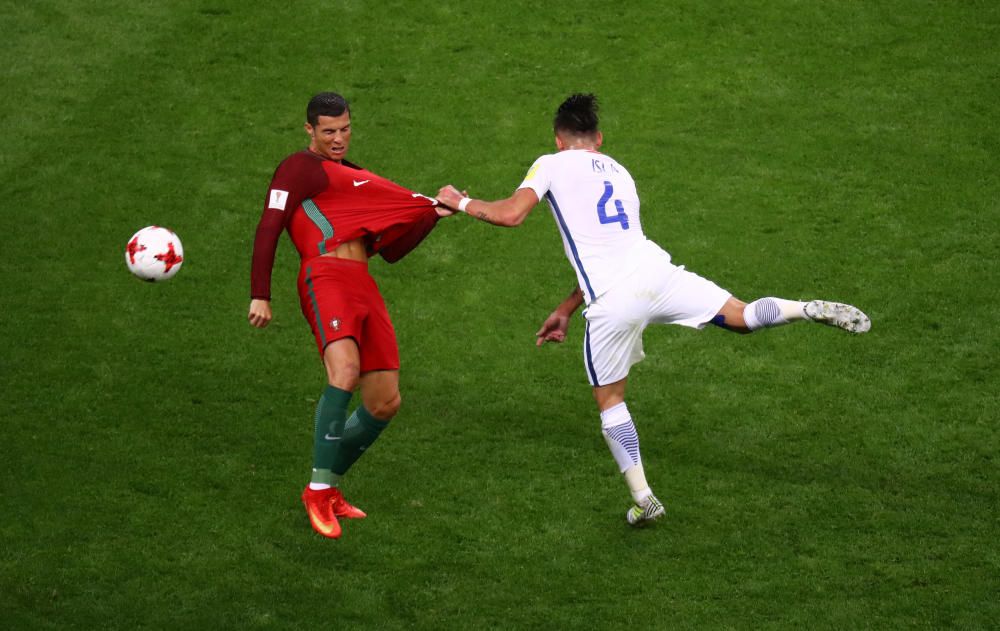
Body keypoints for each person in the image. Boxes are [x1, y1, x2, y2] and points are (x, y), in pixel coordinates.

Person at [436, 93, 870, 526]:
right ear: (599, 139)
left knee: (611, 400)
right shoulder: (621, 173)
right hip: (657, 274)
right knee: (741, 315)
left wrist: (458, 202)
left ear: (558, 139)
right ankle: (804, 308)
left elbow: (511, 215)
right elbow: (615, 248)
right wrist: (567, 306)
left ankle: (644, 499)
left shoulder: (550, 163)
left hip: (613, 301)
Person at [249, 92, 453, 539]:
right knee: (344, 372)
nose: (338, 138)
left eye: (344, 129)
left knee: (385, 402)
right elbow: (270, 224)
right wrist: (259, 294)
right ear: (309, 131)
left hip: (363, 285)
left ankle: (326, 485)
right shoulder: (298, 168)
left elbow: (393, 251)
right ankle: (319, 491)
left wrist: (434, 213)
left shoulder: (355, 179)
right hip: (324, 277)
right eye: (328, 132)